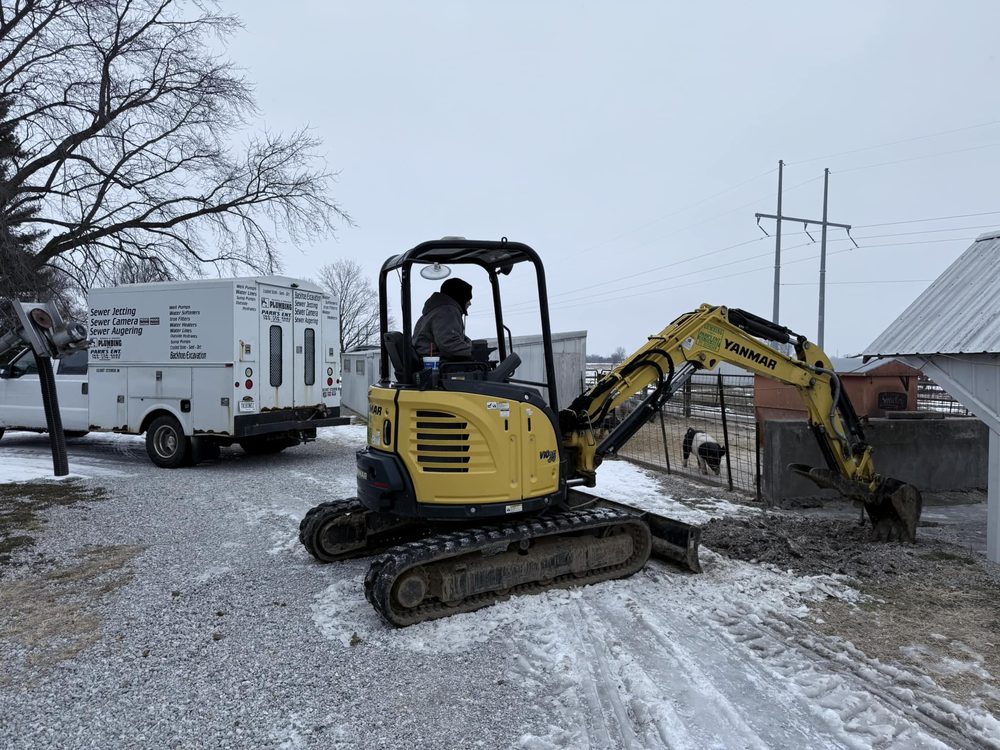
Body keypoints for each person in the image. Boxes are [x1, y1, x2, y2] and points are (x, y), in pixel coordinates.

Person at [412, 277, 473, 361]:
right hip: (437, 364)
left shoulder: (434, 311)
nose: (470, 303)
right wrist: (473, 350)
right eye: (468, 298)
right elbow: (449, 345)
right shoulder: (447, 312)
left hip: (429, 360)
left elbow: (451, 338)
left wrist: (469, 345)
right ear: (460, 297)